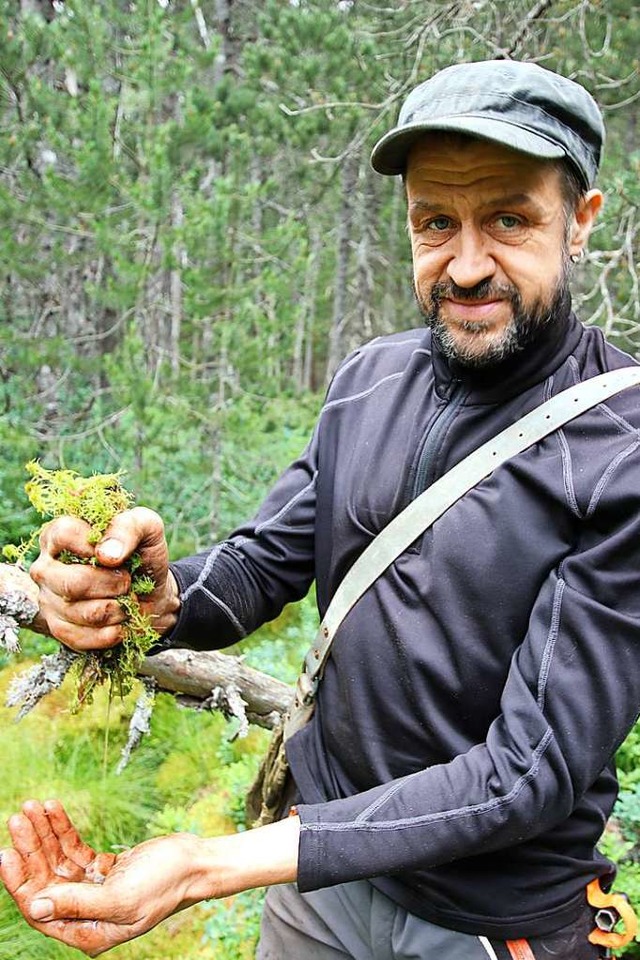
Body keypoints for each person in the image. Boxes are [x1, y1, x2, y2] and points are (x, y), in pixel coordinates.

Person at [1, 59, 638, 960]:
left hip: (491, 925)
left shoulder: (623, 449)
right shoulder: (368, 382)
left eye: (508, 219)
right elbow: (267, 562)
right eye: (433, 222)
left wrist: (203, 867)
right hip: (319, 891)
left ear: (581, 222)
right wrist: (150, 596)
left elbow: (527, 771)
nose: (465, 265)